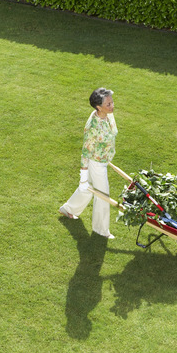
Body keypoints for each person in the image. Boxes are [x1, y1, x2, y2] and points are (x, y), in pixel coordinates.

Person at [59, 87, 118, 239]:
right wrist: (83, 177)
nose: (112, 106)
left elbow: (111, 133)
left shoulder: (108, 114)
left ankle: (68, 209)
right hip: (96, 163)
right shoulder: (93, 126)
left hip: (103, 159)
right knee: (103, 195)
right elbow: (86, 151)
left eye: (111, 102)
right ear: (99, 107)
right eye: (108, 104)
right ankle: (101, 229)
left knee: (89, 189)